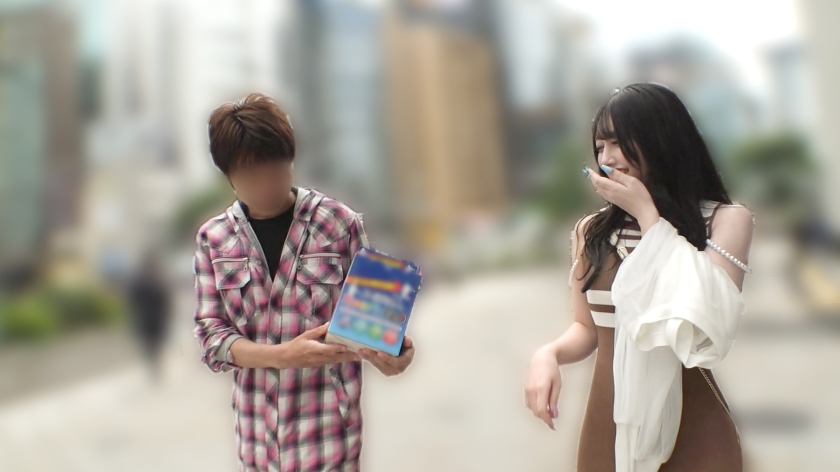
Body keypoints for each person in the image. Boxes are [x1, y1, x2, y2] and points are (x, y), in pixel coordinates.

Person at [524, 83, 754, 471]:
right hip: (609, 420)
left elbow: (713, 316)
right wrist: (547, 354)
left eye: (619, 142)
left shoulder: (725, 220)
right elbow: (588, 329)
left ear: (661, 140)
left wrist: (648, 215)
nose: (608, 157)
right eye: (600, 146)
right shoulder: (591, 231)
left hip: (694, 426)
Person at [193, 93, 416, 471]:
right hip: (257, 444)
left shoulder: (340, 223)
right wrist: (284, 356)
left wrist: (393, 353)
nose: (267, 184)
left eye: (276, 169)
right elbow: (212, 337)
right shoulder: (214, 239)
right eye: (251, 175)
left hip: (329, 439)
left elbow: (373, 327)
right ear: (229, 177)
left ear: (291, 160)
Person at [127, 250, 172, 383]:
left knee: (149, 344)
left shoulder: (137, 280)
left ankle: (153, 365)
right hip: (155, 317)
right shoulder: (156, 280)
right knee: (156, 343)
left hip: (143, 317)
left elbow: (132, 300)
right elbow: (163, 298)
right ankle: (156, 365)